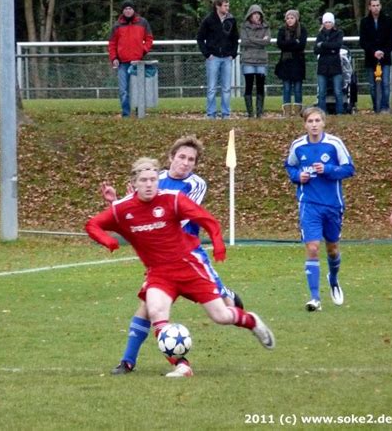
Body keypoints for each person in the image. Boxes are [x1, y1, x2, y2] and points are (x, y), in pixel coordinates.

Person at [86, 157, 275, 378]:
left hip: (188, 267)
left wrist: (218, 242)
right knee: (156, 313)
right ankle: (182, 365)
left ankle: (251, 321)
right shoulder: (122, 208)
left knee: (221, 315)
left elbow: (207, 219)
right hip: (159, 274)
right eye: (144, 180)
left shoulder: (173, 199)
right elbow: (92, 224)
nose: (149, 184)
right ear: (134, 183)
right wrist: (107, 240)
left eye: (153, 179)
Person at [101, 136, 244, 375]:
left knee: (227, 307)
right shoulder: (155, 178)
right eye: (181, 157)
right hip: (160, 256)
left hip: (189, 253)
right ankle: (128, 361)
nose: (186, 163)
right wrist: (118, 201)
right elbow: (133, 209)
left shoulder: (196, 184)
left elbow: (180, 214)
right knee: (147, 305)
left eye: (191, 160)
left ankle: (227, 295)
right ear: (170, 158)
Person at [285, 107, 355, 312]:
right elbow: (289, 167)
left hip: (333, 204)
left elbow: (350, 168)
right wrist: (298, 176)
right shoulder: (298, 146)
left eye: (317, 121)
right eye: (310, 121)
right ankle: (315, 298)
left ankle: (333, 278)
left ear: (323, 123)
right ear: (305, 124)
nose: (314, 124)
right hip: (309, 204)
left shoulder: (334, 144)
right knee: (313, 247)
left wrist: (329, 170)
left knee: (332, 249)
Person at [108, 0, 153, 117]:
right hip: (123, 63)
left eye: (130, 8)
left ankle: (140, 112)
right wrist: (114, 58)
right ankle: (126, 114)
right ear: (123, 11)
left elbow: (149, 39)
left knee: (139, 89)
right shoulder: (117, 25)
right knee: (123, 90)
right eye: (125, 9)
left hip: (138, 62)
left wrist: (143, 50)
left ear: (134, 10)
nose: (128, 11)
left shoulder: (143, 23)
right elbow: (112, 44)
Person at [196, 0, 239, 119]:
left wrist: (233, 54)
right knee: (212, 87)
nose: (227, 8)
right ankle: (211, 113)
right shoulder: (208, 20)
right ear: (217, 6)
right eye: (225, 5)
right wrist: (207, 54)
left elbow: (235, 38)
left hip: (227, 58)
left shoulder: (231, 20)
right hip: (213, 58)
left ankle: (225, 113)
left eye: (228, 5)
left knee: (226, 88)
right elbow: (199, 38)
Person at [359, 0, 392, 113]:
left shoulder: (387, 20)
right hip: (371, 58)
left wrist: (383, 52)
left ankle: (384, 107)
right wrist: (373, 52)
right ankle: (376, 107)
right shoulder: (364, 22)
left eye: (377, 5)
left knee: (385, 84)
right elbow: (363, 41)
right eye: (373, 6)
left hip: (384, 58)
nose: (375, 8)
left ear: (380, 6)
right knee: (372, 85)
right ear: (369, 7)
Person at [240, 4, 271, 118]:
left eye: (258, 14)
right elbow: (244, 42)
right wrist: (260, 41)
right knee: (248, 85)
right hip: (248, 59)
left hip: (261, 60)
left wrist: (252, 40)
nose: (256, 16)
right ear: (250, 15)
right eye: (254, 14)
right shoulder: (244, 27)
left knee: (260, 86)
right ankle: (250, 113)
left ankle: (259, 112)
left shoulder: (266, 27)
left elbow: (267, 42)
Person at [275, 9, 307, 117]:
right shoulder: (282, 30)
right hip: (286, 63)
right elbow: (280, 44)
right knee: (286, 87)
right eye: (287, 18)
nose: (289, 20)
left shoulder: (302, 30)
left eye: (292, 18)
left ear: (296, 19)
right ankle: (287, 111)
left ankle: (298, 111)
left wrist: (288, 44)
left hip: (298, 62)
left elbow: (301, 45)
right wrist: (293, 42)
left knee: (298, 88)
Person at [314, 12, 344, 115]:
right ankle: (321, 113)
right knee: (322, 92)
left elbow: (338, 46)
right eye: (326, 22)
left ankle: (340, 112)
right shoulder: (320, 34)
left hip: (335, 66)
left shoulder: (338, 33)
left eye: (330, 22)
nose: (328, 24)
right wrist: (330, 48)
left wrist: (323, 45)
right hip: (322, 67)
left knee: (338, 91)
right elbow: (316, 50)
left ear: (333, 22)